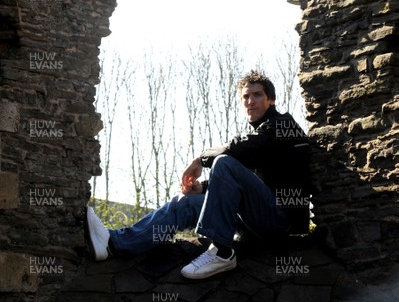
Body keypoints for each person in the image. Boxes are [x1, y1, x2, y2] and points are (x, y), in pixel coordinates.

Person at [86, 70, 310, 279]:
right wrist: (202, 188)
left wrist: (200, 159)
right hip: (254, 220)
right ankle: (114, 243)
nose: (250, 101)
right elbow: (240, 181)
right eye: (246, 96)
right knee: (187, 201)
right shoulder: (260, 136)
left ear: (271, 99)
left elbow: (239, 149)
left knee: (224, 162)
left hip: (279, 221)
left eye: (257, 95)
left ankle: (222, 252)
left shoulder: (282, 126)